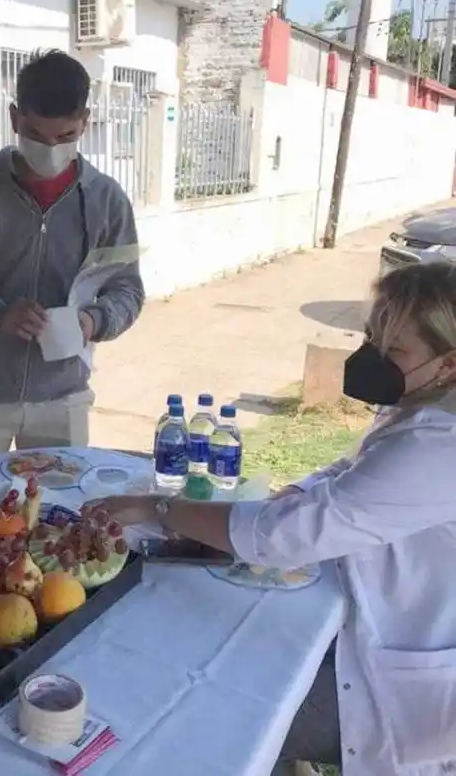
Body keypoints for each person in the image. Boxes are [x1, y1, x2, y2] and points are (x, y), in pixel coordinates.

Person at [85, 261, 456, 776]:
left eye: (393, 350)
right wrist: (292, 495)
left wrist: (159, 507)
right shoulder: (419, 405)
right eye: (371, 335)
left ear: (449, 362)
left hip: (395, 679)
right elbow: (345, 472)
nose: (372, 356)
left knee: (217, 716)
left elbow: (286, 537)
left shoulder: (438, 447)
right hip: (367, 620)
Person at [0, 50, 144, 470]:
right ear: (14, 118)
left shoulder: (106, 200)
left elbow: (127, 289)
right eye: (36, 136)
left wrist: (93, 321)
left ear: (86, 122)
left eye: (66, 137)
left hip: (64, 398)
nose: (51, 150)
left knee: (59, 524)